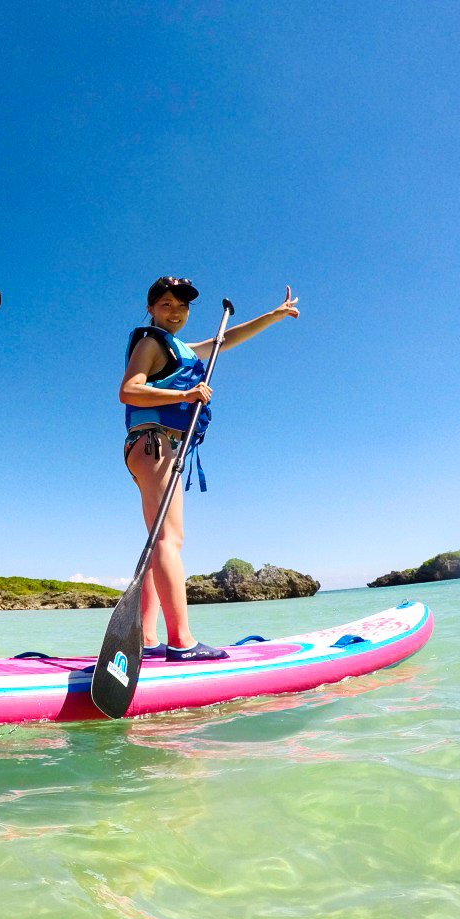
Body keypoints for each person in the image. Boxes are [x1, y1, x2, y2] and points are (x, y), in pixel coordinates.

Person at [121, 276, 299, 662]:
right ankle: (181, 642)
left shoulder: (180, 348)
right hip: (155, 444)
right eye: (166, 304)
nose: (175, 312)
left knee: (159, 543)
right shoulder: (151, 341)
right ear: (151, 308)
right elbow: (129, 390)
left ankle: (148, 640)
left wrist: (272, 316)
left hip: (153, 447)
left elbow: (225, 341)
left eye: (182, 307)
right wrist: (185, 394)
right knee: (169, 541)